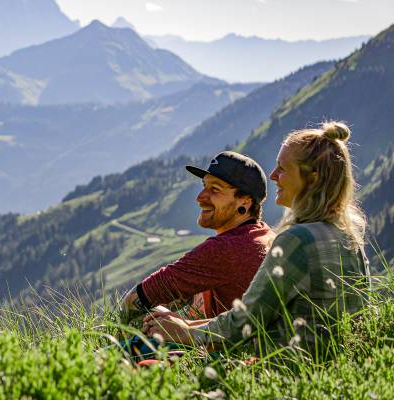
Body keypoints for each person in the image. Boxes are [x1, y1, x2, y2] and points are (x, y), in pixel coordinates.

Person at [144, 121, 370, 357]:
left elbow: (248, 320)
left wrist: (186, 333)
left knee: (145, 356)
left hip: (286, 368)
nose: (273, 176)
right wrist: (184, 326)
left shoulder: (298, 239)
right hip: (332, 361)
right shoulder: (348, 237)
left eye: (282, 169)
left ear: (312, 178)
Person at [120, 151, 275, 331]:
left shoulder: (225, 249)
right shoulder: (265, 235)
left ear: (245, 202)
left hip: (224, 353)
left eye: (215, 189)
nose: (200, 197)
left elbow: (135, 299)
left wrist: (121, 332)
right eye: (204, 186)